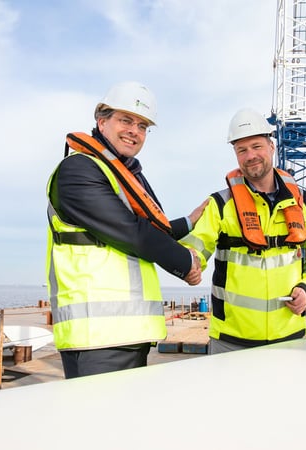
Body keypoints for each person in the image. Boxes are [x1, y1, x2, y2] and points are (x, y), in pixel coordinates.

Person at [45, 81, 204, 378]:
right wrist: (186, 263)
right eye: (126, 120)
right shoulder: (78, 170)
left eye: (142, 126)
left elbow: (148, 228)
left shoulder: (120, 173)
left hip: (127, 333)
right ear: (102, 122)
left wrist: (188, 223)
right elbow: (132, 232)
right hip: (96, 336)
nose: (135, 131)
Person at [180, 107, 306, 354]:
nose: (250, 155)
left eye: (256, 146)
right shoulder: (220, 204)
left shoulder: (303, 203)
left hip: (290, 337)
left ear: (271, 147)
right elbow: (195, 247)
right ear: (235, 154)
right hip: (231, 340)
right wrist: (187, 264)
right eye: (242, 149)